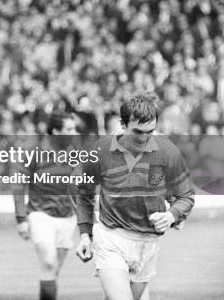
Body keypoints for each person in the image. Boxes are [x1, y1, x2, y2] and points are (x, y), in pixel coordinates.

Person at [75, 93, 195, 300]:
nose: (144, 137)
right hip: (110, 238)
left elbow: (186, 196)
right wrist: (86, 233)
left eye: (150, 131)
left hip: (147, 242)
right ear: (122, 124)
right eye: (137, 131)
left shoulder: (168, 152)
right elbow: (83, 192)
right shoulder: (100, 151)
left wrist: (171, 216)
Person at [13, 111, 79, 300]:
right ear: (56, 131)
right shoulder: (35, 150)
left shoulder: (75, 151)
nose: (74, 132)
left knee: (53, 271)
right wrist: (20, 218)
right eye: (69, 129)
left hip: (68, 217)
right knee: (49, 264)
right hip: (41, 215)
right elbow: (18, 183)